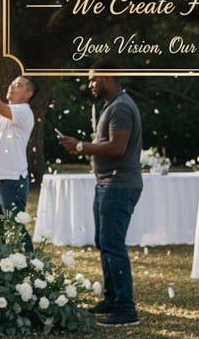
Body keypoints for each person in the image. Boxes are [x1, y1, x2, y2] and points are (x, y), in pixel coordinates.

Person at [59, 59, 143, 327]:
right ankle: (112, 300)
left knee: (113, 245)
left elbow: (118, 147)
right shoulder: (113, 105)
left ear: (107, 77)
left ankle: (126, 309)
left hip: (119, 185)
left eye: (93, 79)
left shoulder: (121, 107)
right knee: (104, 242)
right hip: (107, 183)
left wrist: (81, 146)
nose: (90, 84)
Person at [0, 76, 38, 254]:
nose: (12, 87)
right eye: (12, 84)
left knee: (16, 229)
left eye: (18, 85)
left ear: (28, 93)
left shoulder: (23, 112)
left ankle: (28, 267)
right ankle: (0, 267)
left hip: (12, 180)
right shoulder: (1, 113)